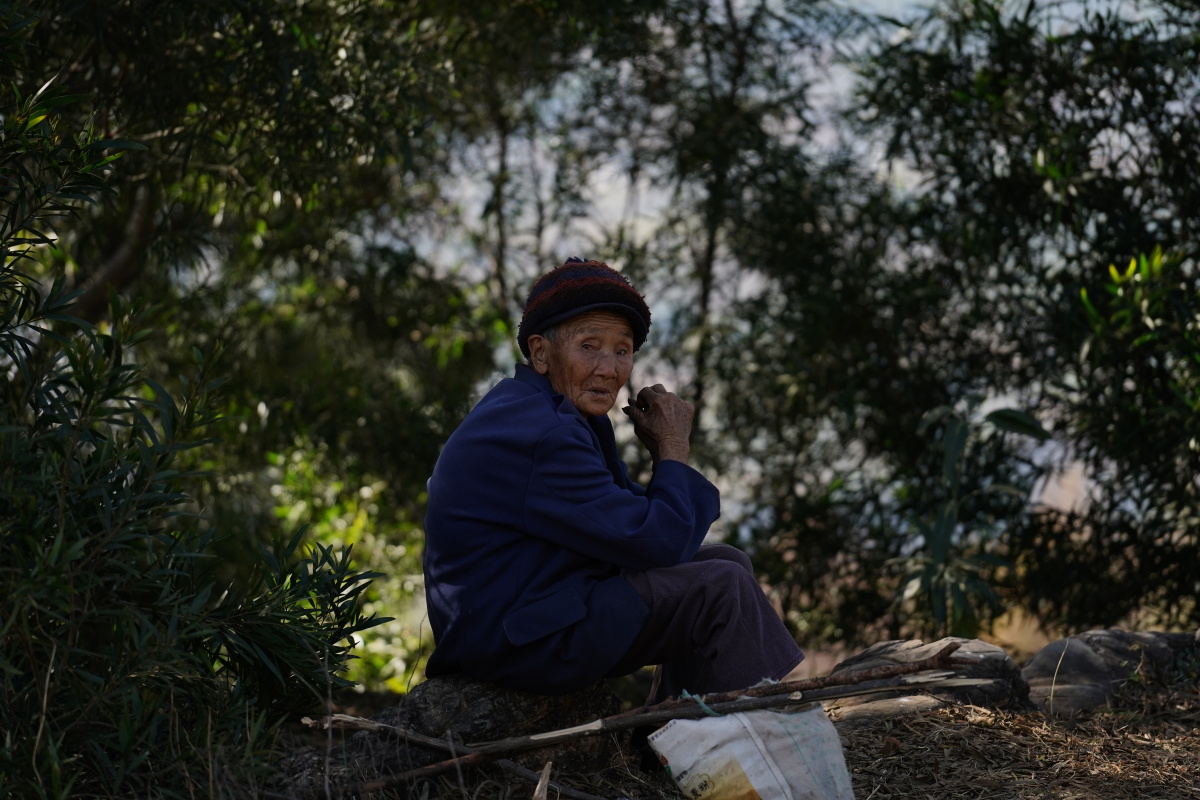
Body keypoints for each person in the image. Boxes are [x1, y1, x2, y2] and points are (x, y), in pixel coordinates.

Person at [422, 258, 805, 698]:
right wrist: (673, 449)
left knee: (729, 562)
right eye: (589, 345)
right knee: (722, 588)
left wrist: (668, 463)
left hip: (532, 609)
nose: (609, 368)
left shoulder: (548, 411)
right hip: (512, 639)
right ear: (541, 353)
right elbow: (655, 541)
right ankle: (727, 746)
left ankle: (681, 737)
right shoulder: (543, 432)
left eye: (622, 351)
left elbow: (635, 527)